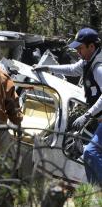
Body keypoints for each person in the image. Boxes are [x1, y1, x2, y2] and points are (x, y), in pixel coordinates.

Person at [34, 27, 102, 185]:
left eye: (80, 48)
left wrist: (87, 114)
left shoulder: (98, 67)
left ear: (91, 46)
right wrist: (48, 68)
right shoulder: (88, 61)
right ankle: (95, 192)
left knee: (90, 153)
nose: (78, 52)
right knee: (87, 153)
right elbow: (73, 69)